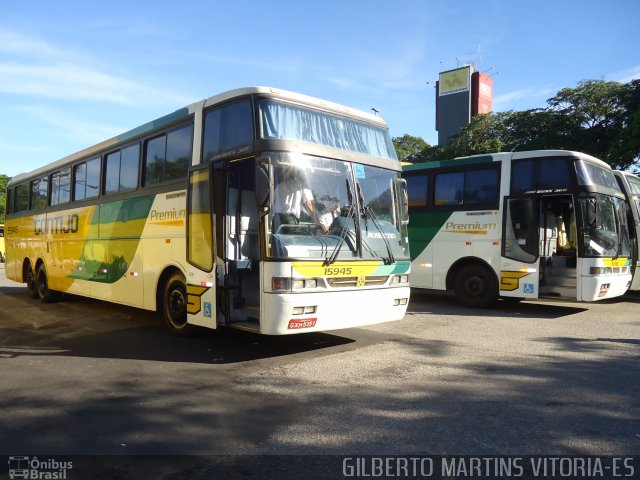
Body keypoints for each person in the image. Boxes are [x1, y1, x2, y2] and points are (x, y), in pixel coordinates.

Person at [272, 168, 324, 233]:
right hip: (290, 220)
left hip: (277, 219)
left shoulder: (279, 186)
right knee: (291, 241)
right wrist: (319, 224)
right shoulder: (302, 186)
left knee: (276, 240)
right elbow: (309, 205)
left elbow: (271, 203)